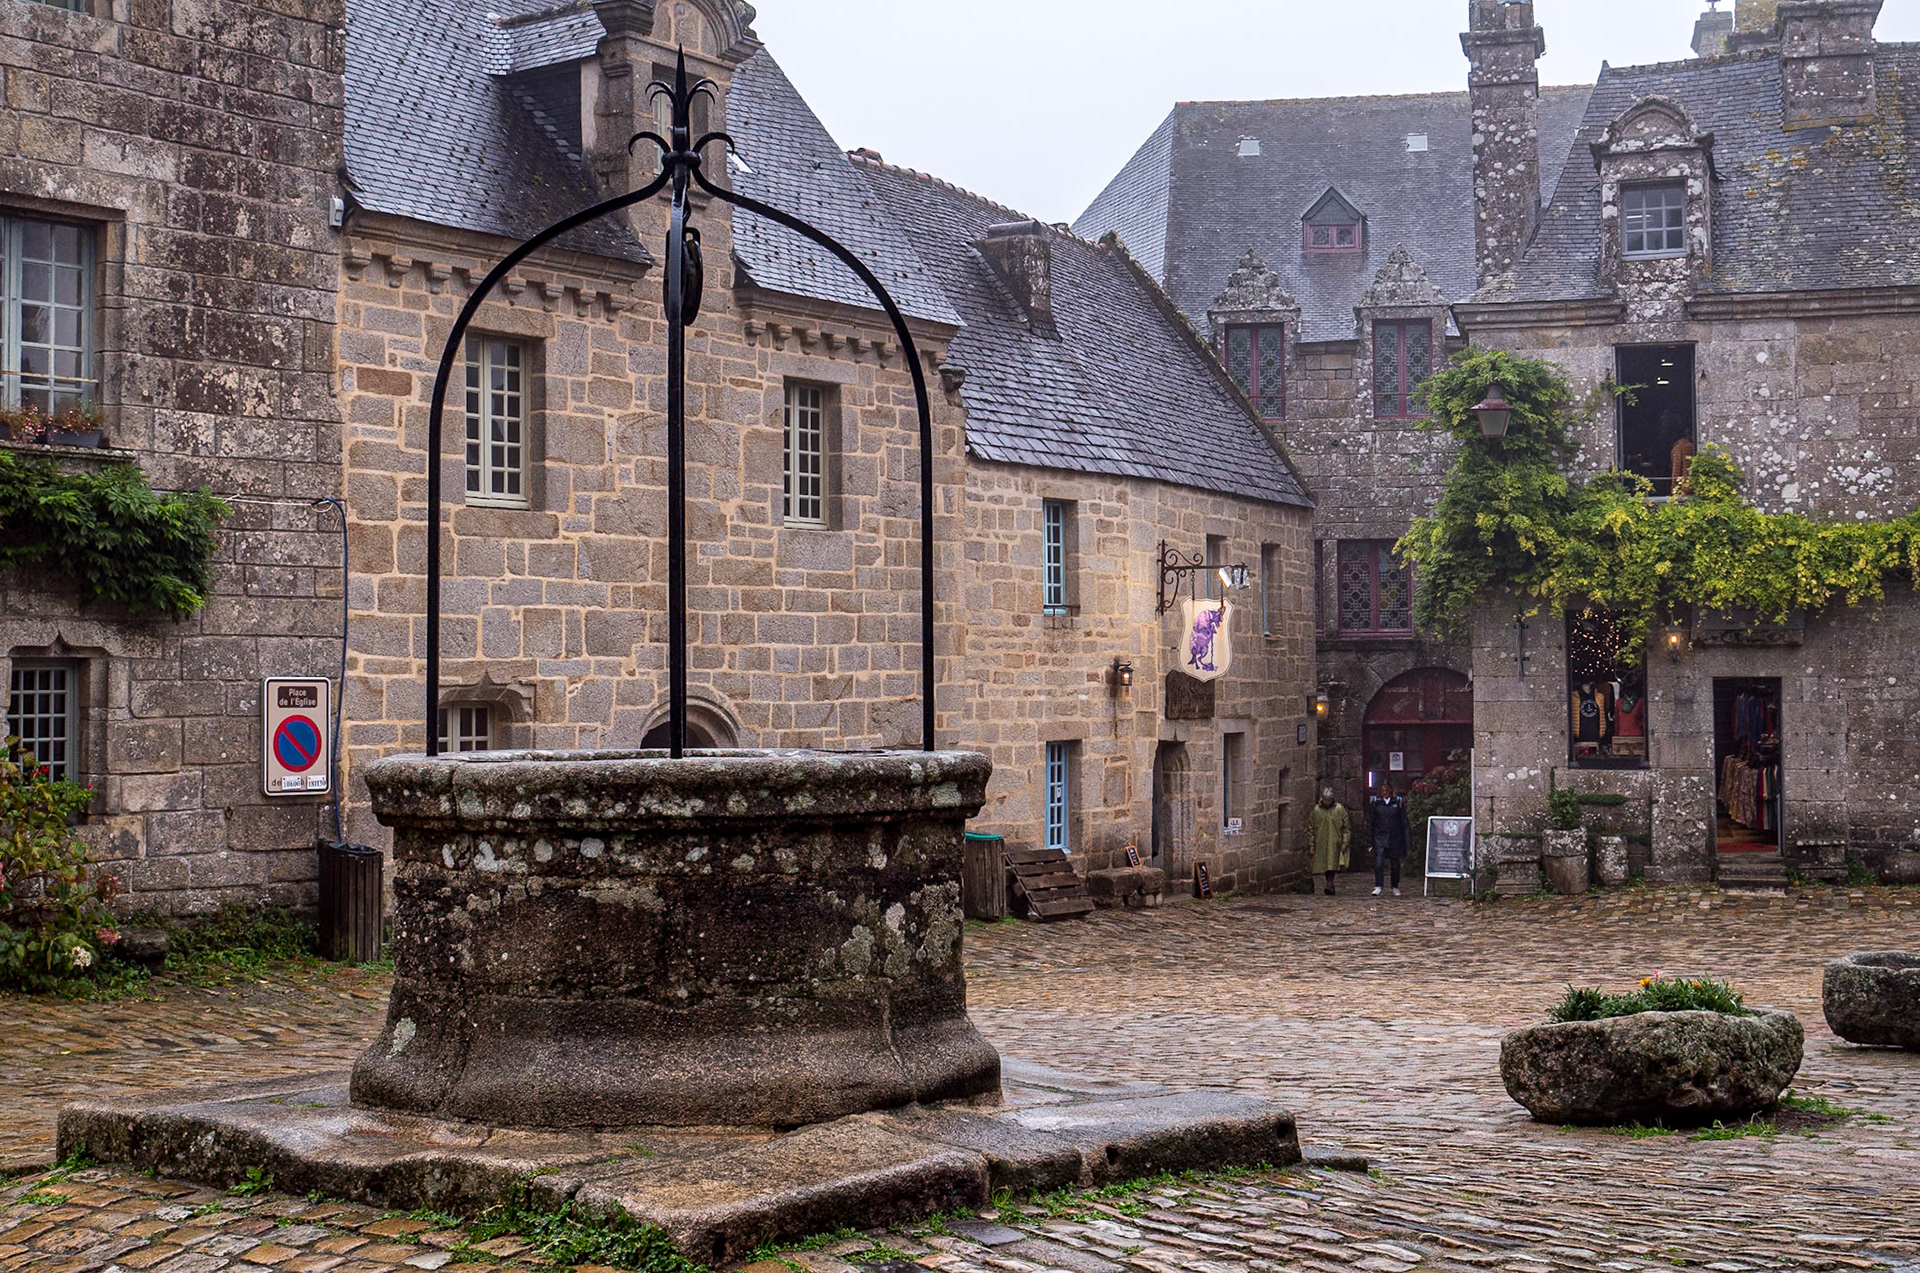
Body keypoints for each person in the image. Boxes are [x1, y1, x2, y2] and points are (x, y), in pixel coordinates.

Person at [1365, 780, 1411, 897]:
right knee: (1379, 862)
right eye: (1382, 790)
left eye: (1387, 790)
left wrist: (1407, 840)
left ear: (1391, 790)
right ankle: (1378, 885)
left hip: (1395, 836)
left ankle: (1395, 886)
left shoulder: (1398, 803)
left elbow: (1404, 822)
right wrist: (1370, 841)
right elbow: (1371, 823)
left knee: (1395, 864)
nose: (1385, 792)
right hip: (1380, 836)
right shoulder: (1376, 803)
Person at [1308, 787, 1350, 896]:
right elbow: (1311, 828)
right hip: (1321, 841)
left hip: (1334, 841)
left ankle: (1330, 883)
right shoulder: (1316, 811)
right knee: (1324, 864)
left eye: (1329, 800)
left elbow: (1346, 827)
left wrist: (1345, 842)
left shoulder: (1339, 809)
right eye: (1325, 799)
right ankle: (1329, 883)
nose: (1327, 802)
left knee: (1332, 863)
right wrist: (1311, 844)